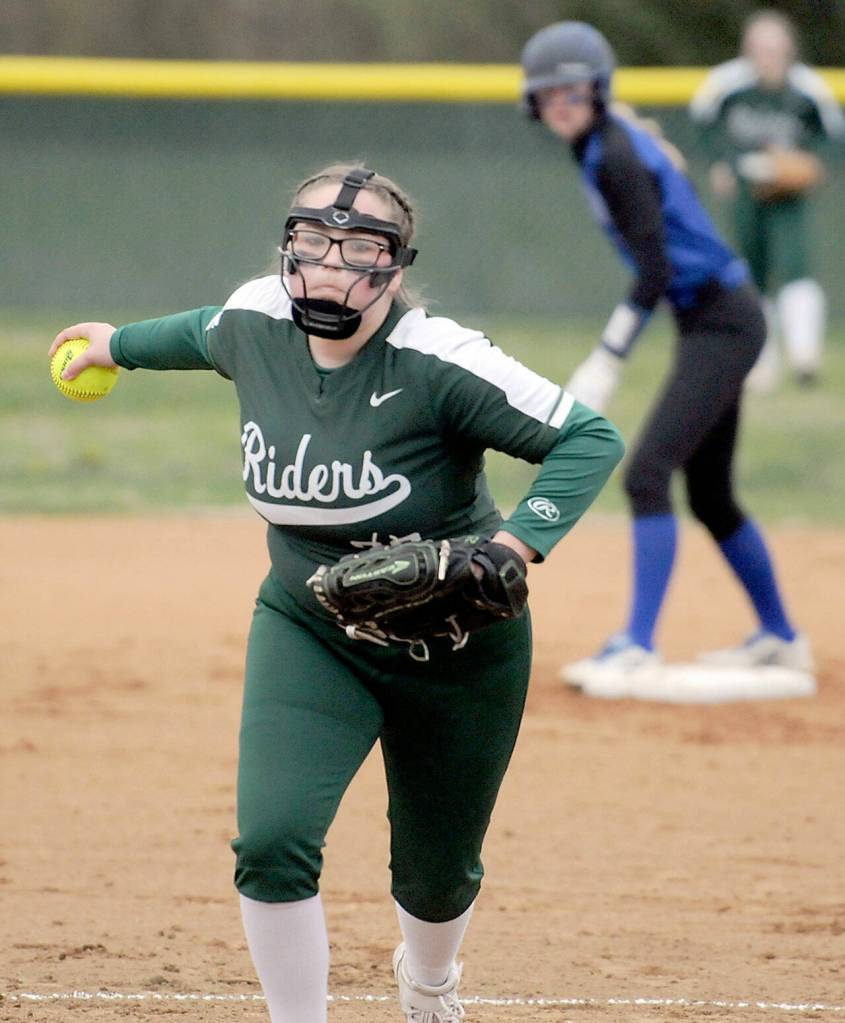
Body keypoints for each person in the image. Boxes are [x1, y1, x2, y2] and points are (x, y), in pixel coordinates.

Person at [49, 164, 623, 1022]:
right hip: (308, 622)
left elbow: (588, 436)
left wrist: (514, 545)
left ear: (394, 266)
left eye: (359, 249)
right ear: (289, 248)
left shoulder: (439, 359)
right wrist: (111, 344)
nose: (329, 267)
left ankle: (429, 985)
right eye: (313, 242)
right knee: (273, 840)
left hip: (455, 643)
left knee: (435, 872)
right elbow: (196, 331)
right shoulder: (256, 321)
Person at [519, 22, 814, 700]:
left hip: (723, 319)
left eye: (571, 90)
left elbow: (652, 268)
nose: (559, 104)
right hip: (711, 318)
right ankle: (780, 638)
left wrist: (609, 355)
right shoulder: (598, 144)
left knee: (646, 472)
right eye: (547, 94)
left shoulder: (614, 152)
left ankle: (638, 644)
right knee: (708, 493)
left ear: (596, 90)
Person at [690, 9, 844, 391]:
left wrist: (812, 165)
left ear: (790, 49)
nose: (768, 56)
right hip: (746, 189)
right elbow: (703, 123)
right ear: (748, 49)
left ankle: (804, 356)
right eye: (761, 48)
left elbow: (831, 137)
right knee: (749, 272)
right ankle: (760, 360)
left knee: (795, 267)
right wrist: (721, 165)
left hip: (788, 192)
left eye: (776, 48)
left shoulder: (808, 89)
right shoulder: (728, 84)